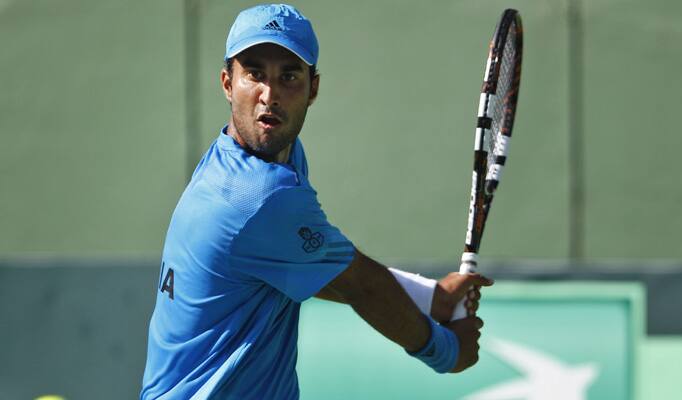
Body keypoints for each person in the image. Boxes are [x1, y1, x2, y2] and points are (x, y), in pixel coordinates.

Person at [140, 4, 493, 399]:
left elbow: (310, 267)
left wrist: (432, 299)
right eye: (254, 74)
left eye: (288, 76)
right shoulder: (259, 196)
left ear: (313, 89)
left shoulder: (267, 155)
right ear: (227, 83)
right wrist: (447, 352)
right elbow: (361, 285)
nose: (268, 95)